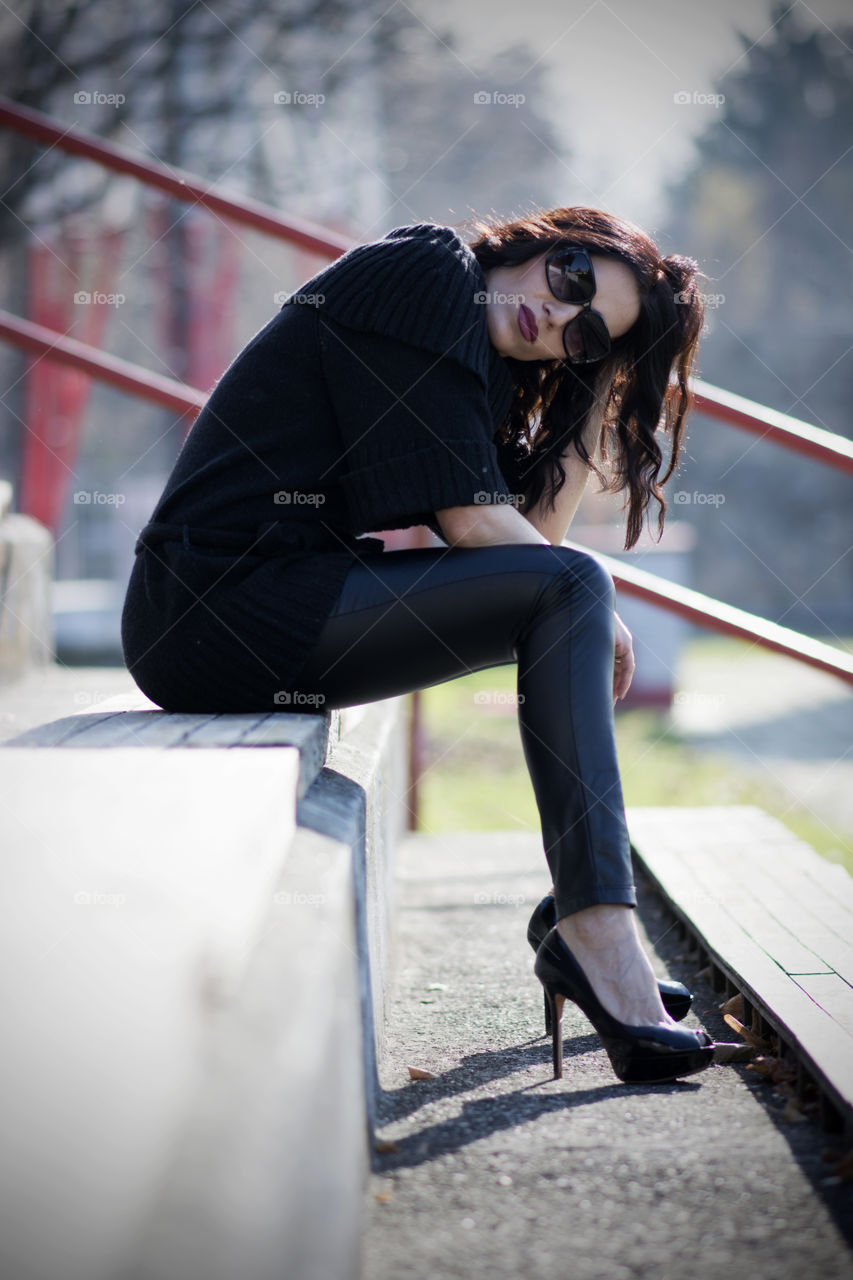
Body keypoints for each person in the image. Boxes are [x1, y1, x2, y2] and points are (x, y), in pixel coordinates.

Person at [121, 206, 716, 1086]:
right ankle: (592, 922)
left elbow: (533, 547)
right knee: (577, 585)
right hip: (210, 609)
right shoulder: (425, 271)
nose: (556, 317)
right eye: (572, 282)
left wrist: (590, 389)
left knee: (571, 585)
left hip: (280, 609)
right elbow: (482, 529)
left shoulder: (479, 370)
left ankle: (589, 925)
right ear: (543, 242)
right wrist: (592, 604)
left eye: (584, 335)